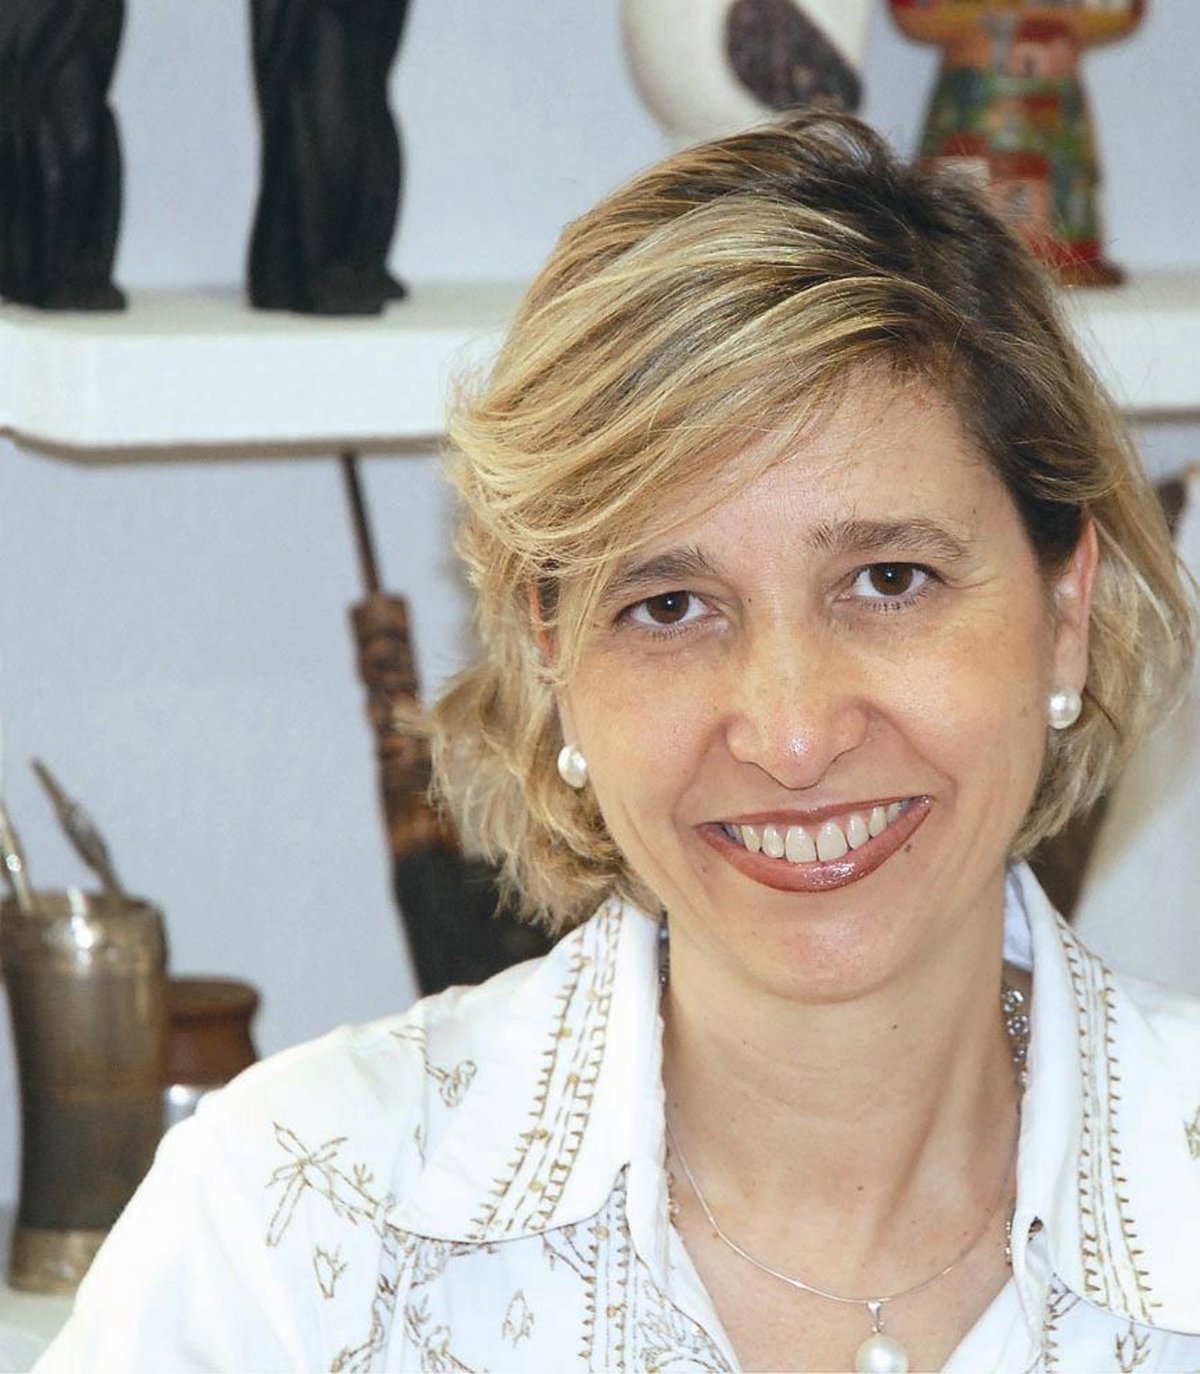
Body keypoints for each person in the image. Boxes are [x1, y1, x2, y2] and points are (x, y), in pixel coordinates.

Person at [35, 113, 1200, 1373]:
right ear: (552, 659)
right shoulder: (285, 1235)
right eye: (671, 606)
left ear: (1064, 614)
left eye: (890, 579)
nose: (792, 735)